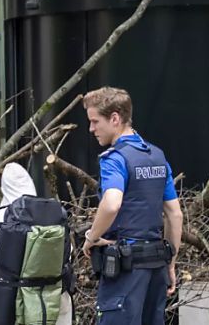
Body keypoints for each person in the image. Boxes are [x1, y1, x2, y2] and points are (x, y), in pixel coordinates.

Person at [81, 87, 183, 325]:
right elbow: (175, 214)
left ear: (115, 118)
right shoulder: (157, 156)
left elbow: (111, 204)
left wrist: (91, 237)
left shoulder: (115, 159)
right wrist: (171, 262)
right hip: (155, 265)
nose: (91, 129)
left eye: (95, 121)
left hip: (125, 268)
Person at [0, 162, 72, 325]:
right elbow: (67, 255)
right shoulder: (54, 212)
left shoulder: (4, 215)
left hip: (13, 302)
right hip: (53, 300)